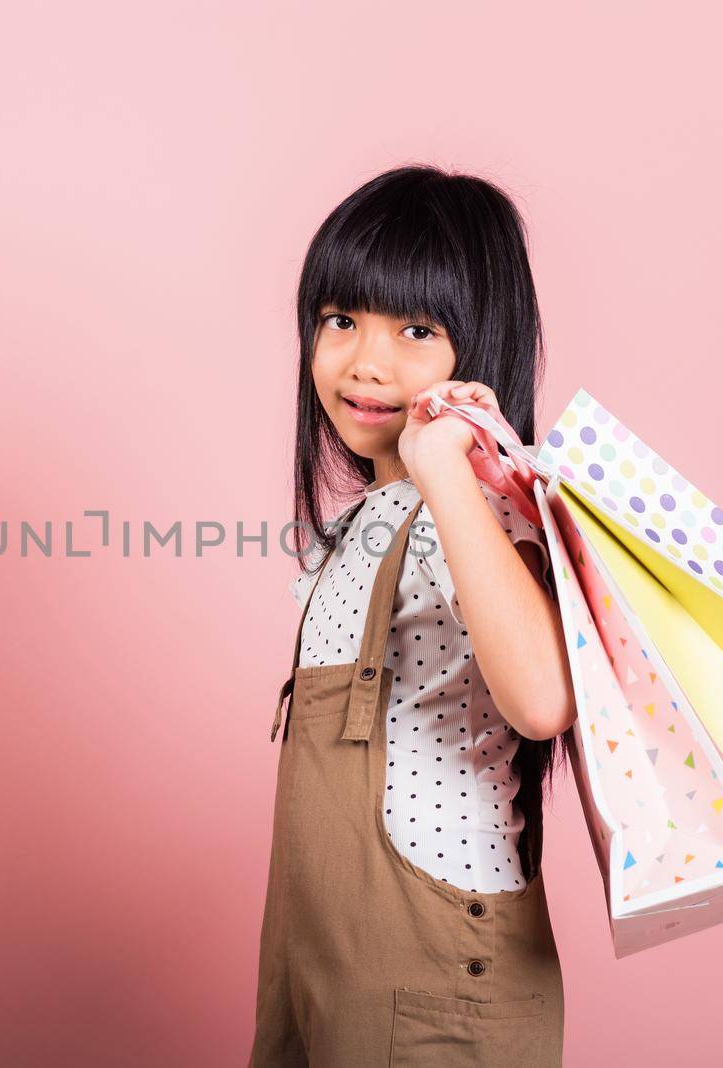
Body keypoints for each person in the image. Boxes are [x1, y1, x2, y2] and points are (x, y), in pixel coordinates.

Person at [249, 165, 578, 1066]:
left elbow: (545, 699)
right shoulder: (364, 519)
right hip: (325, 962)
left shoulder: (473, 507)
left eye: (417, 330)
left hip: (432, 976)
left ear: (479, 345)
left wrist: (445, 468)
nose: (367, 361)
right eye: (342, 320)